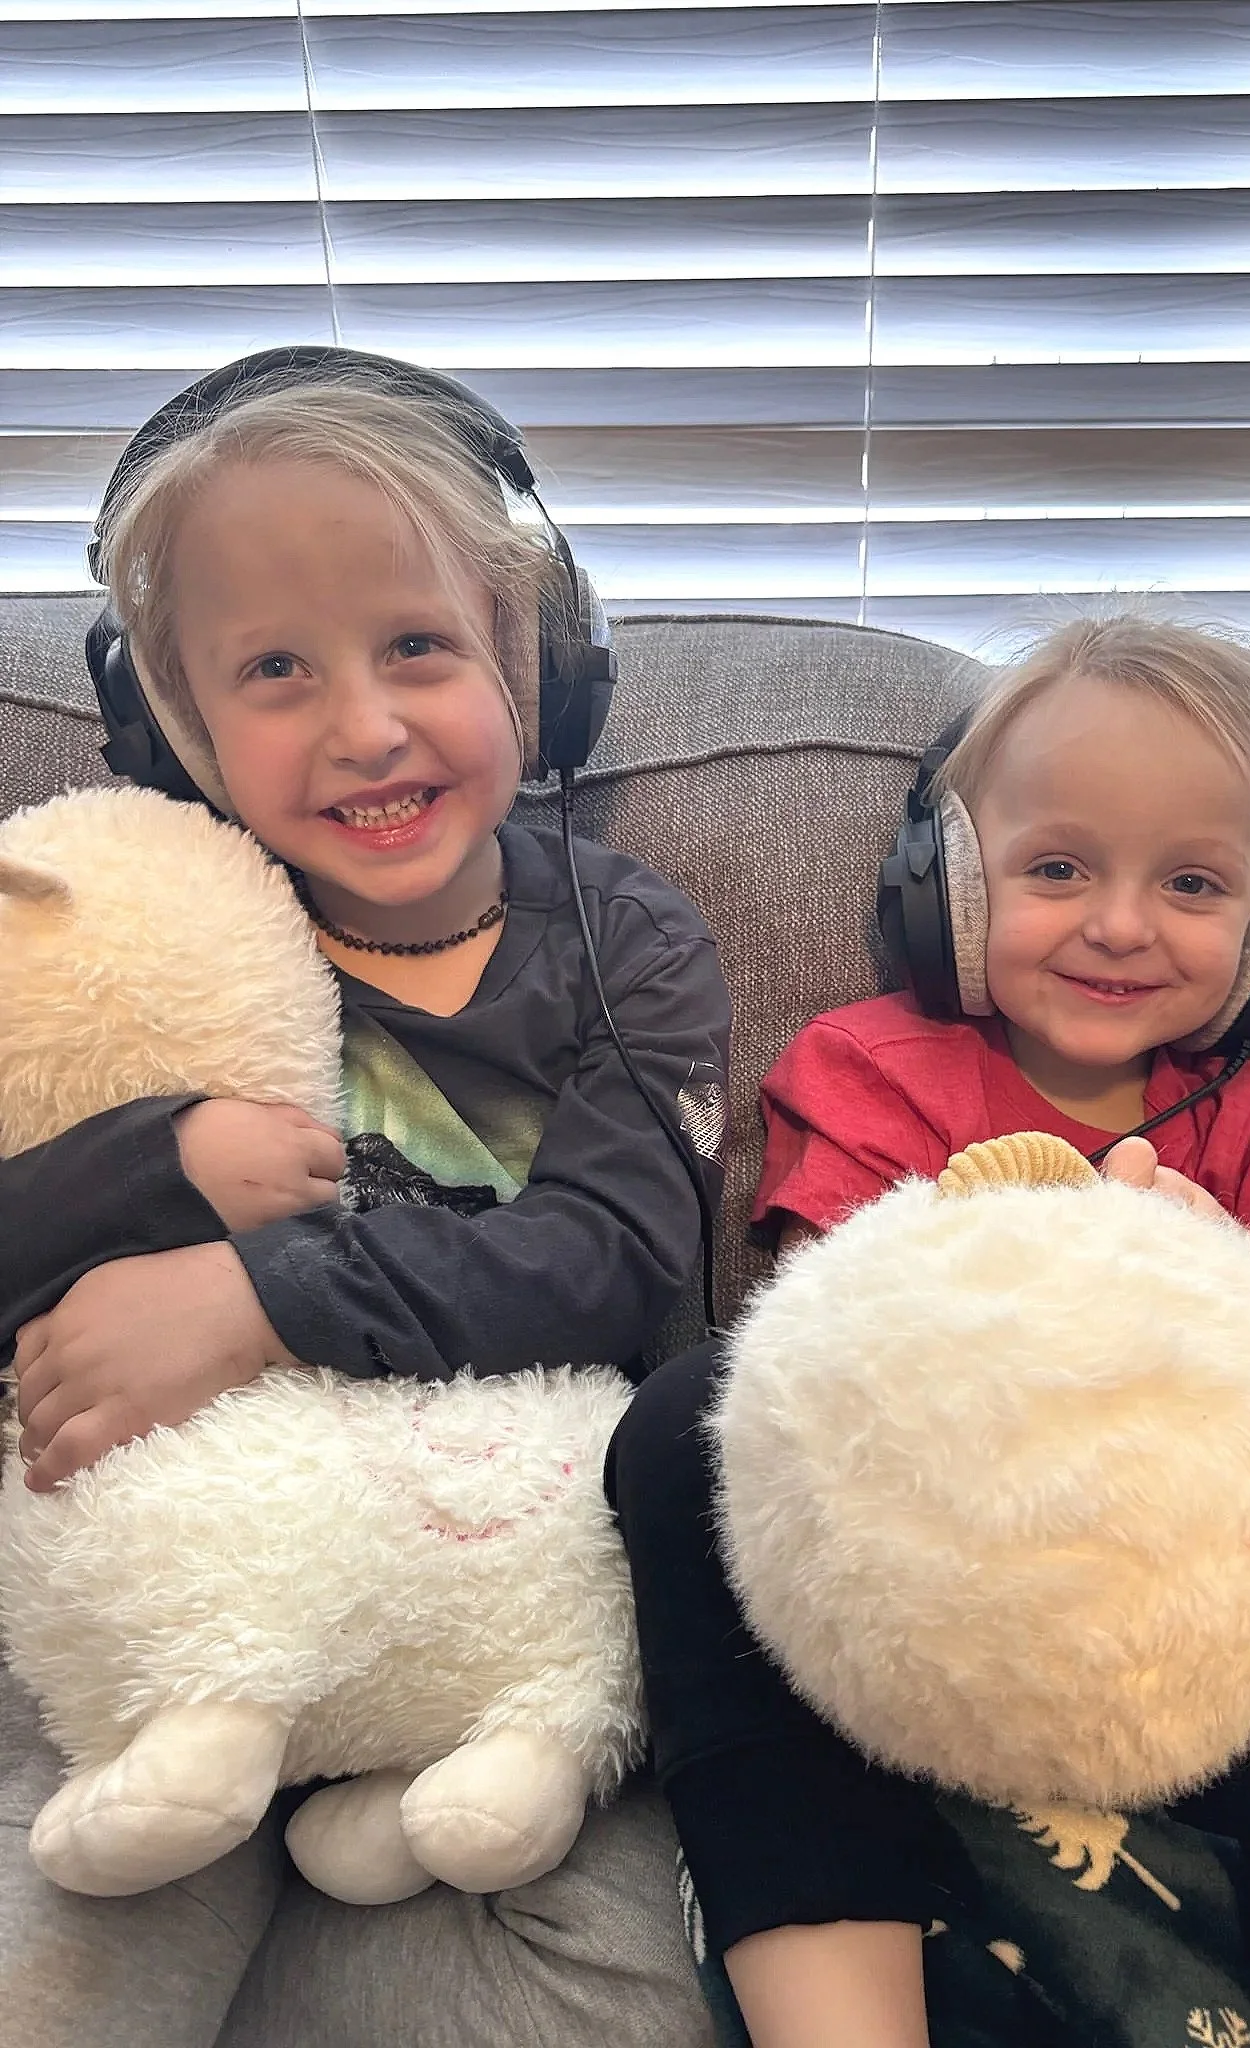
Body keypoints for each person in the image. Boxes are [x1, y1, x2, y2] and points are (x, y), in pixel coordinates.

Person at [607, 617, 1250, 2048]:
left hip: (1195, 1620)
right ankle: (838, 2007)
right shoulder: (864, 1066)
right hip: (929, 1606)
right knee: (684, 1424)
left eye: (1192, 883)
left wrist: (1226, 1257)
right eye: (1059, 868)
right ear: (949, 884)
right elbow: (818, 1373)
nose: (1122, 924)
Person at [0, 346, 727, 2048]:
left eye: (418, 645)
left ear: (536, 665)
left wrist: (264, 1293)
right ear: (163, 722)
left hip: (487, 1619)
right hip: (157, 1600)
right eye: (273, 669)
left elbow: (625, 1267)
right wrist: (153, 1159)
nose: (365, 723)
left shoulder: (628, 943)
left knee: (609, 2003)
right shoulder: (134, 924)